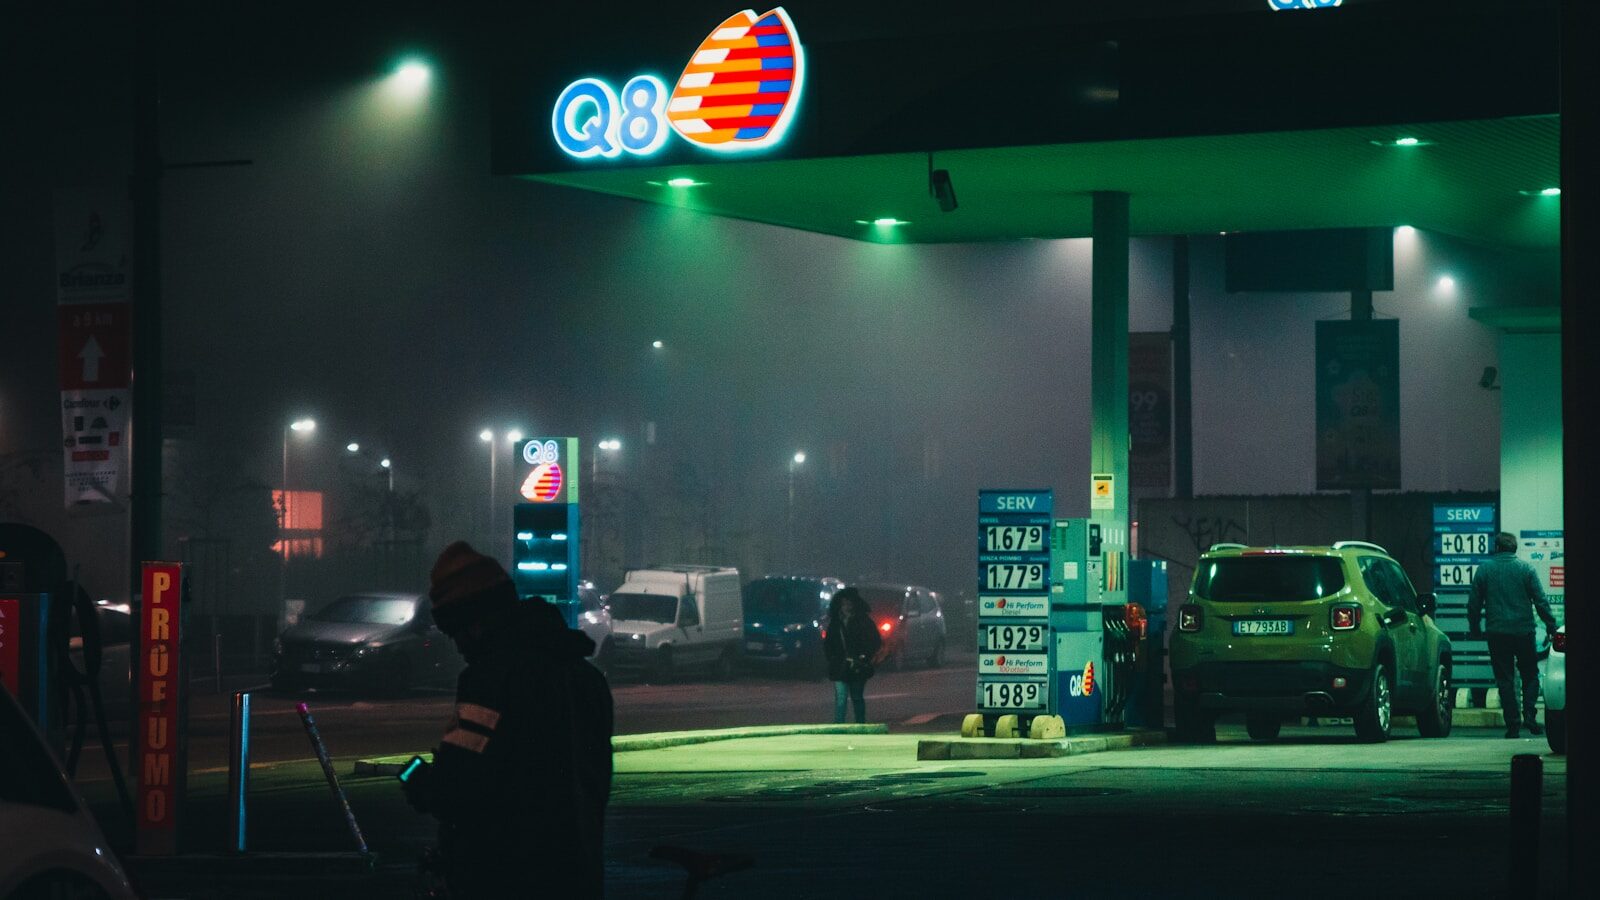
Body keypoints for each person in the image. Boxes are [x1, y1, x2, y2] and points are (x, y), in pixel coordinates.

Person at [401, 541, 614, 897]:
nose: (458, 646)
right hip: (577, 873)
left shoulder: (490, 681)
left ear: (477, 623)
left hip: (503, 874)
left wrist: (424, 784)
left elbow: (459, 784)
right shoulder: (585, 678)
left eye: (456, 631)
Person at [1468, 531, 1559, 739]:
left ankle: (1513, 725)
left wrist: (1475, 628)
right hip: (1523, 632)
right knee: (1530, 674)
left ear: (1497, 548)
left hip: (1497, 633)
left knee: (1505, 678)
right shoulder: (1525, 568)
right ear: (1514, 548)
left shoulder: (1484, 570)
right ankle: (1529, 715)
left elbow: (1474, 604)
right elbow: (1540, 601)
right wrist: (1551, 626)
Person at [823, 588, 882, 724]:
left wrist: (864, 656)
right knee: (842, 699)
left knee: (855, 697)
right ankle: (839, 727)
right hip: (840, 666)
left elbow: (874, 641)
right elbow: (828, 644)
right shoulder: (836, 623)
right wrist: (832, 658)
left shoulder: (863, 621)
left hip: (857, 666)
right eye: (844, 604)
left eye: (849, 604)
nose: (846, 607)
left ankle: (859, 725)